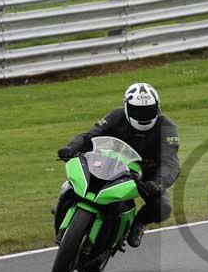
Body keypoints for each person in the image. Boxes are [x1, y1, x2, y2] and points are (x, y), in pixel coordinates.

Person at [56, 82, 180, 248]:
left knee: (162, 207)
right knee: (70, 187)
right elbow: (90, 135)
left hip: (147, 173)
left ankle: (138, 224)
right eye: (137, 110)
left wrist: (159, 182)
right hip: (110, 163)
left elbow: (170, 161)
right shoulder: (116, 116)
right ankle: (63, 216)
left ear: (158, 108)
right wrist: (72, 148)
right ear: (127, 107)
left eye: (148, 110)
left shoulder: (168, 127)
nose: (143, 115)